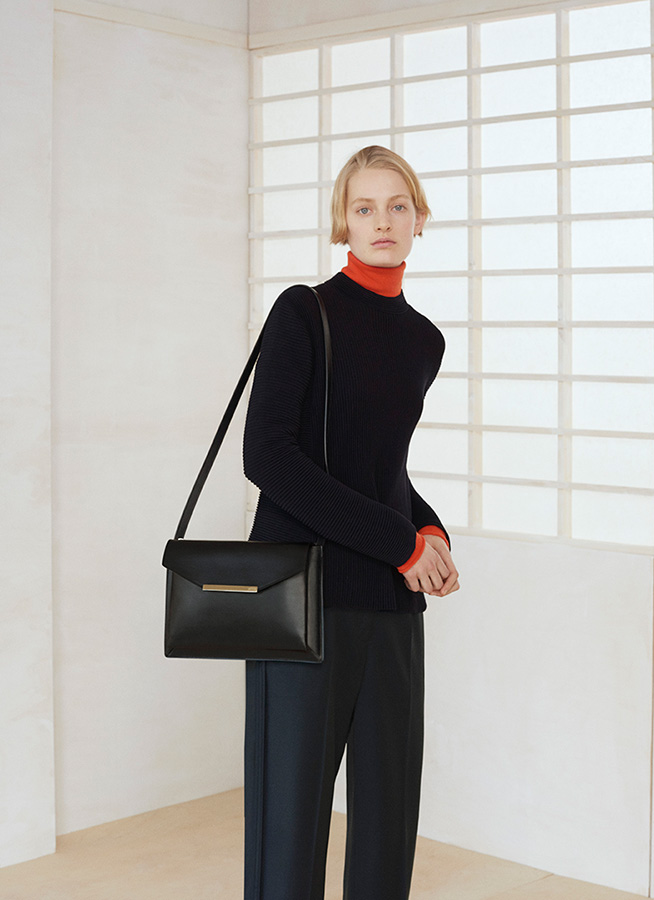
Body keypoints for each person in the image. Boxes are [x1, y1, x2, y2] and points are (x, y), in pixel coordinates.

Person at [242, 144, 460, 900]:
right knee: (288, 823)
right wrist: (401, 541)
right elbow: (270, 456)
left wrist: (428, 532)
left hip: (392, 605)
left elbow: (381, 468)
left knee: (388, 821)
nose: (383, 222)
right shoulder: (303, 311)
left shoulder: (424, 340)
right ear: (344, 220)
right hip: (302, 605)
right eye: (365, 208)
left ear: (420, 219)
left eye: (398, 206)